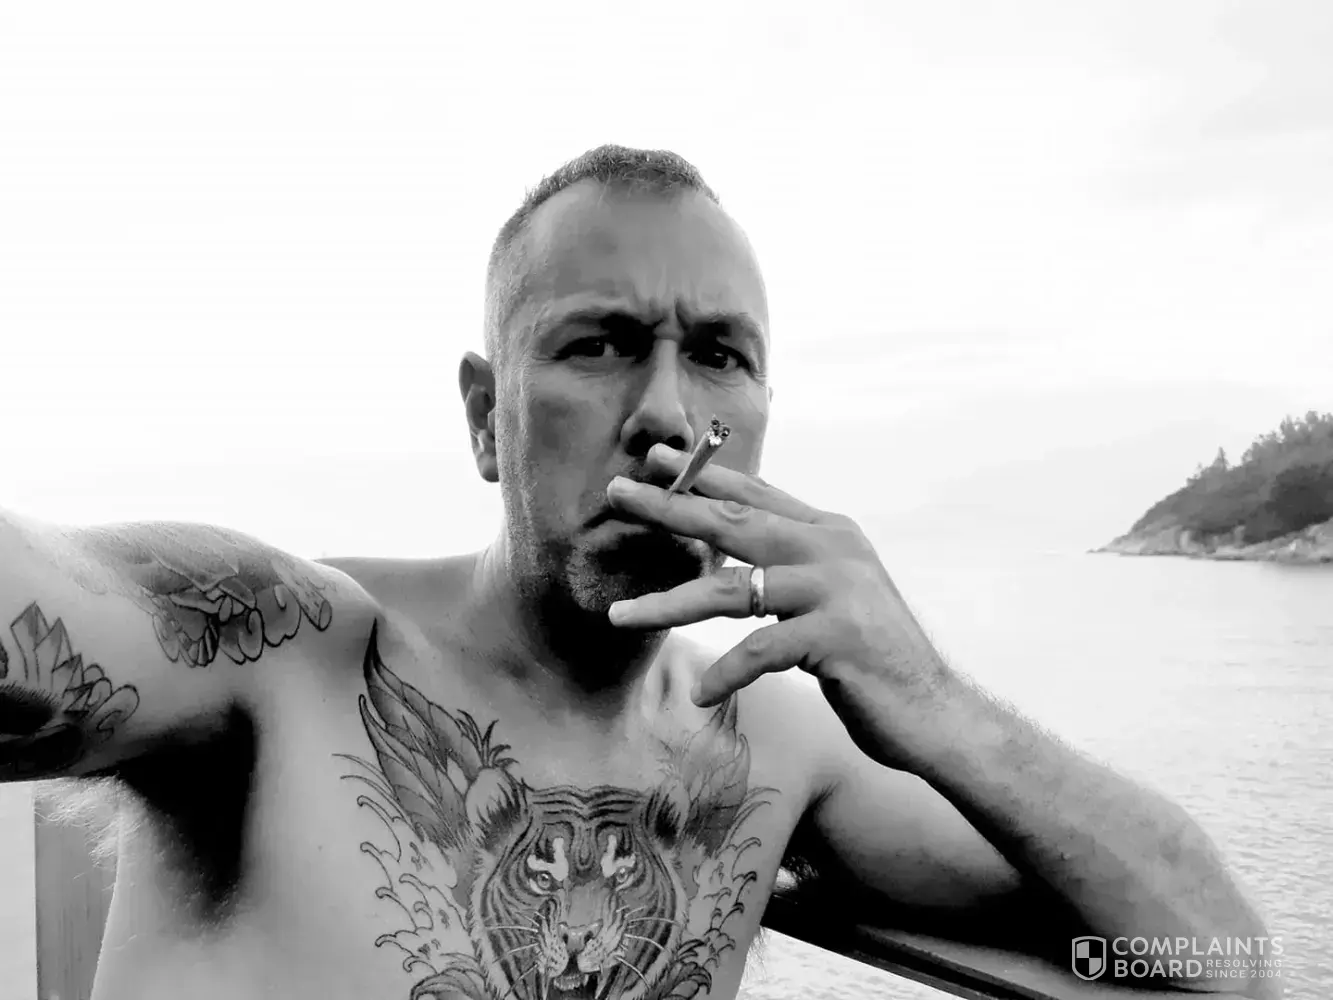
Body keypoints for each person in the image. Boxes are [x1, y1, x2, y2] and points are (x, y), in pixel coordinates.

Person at [0, 144, 1274, 1000]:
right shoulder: (286, 651)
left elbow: (1216, 962)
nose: (667, 415)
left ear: (761, 412)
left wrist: (929, 698)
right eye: (599, 345)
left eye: (720, 355)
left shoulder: (770, 748)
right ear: (485, 419)